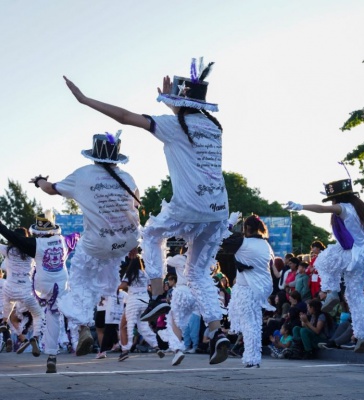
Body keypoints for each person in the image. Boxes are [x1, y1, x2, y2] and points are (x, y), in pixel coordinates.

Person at [63, 58, 232, 365]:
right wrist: (173, 102)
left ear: (177, 103)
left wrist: (85, 100)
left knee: (152, 234)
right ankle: (217, 331)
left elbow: (127, 116)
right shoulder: (211, 125)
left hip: (189, 206)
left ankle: (156, 297)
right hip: (218, 210)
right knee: (197, 273)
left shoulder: (172, 125)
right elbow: (186, 119)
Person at [30, 132, 141, 357]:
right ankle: (103, 312)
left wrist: (39, 181)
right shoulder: (128, 177)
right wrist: (132, 245)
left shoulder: (83, 175)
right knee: (104, 282)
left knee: (79, 284)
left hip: (97, 243)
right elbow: (135, 207)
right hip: (125, 240)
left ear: (94, 154)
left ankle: (83, 329)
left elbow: (51, 189)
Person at [286, 177, 364, 353]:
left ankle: (332, 292)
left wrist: (301, 206)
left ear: (339, 198)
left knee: (322, 261)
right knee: (355, 296)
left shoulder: (344, 208)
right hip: (362, 256)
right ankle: (363, 336)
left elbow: (321, 209)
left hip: (349, 253)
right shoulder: (359, 209)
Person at [0, 211, 79, 373]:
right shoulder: (64, 241)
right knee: (48, 316)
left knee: (33, 312)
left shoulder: (34, 245)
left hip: (35, 287)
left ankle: (8, 328)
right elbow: (76, 236)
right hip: (58, 285)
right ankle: (46, 346)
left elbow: (11, 237)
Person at [224, 214, 275, 368]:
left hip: (248, 290)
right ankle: (251, 356)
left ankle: (253, 358)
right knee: (250, 323)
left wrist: (231, 223)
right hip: (257, 288)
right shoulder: (265, 244)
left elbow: (220, 239)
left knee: (250, 325)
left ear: (247, 228)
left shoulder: (243, 242)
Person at [0, 227, 44, 356]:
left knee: (8, 302)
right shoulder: (32, 254)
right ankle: (35, 337)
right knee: (38, 314)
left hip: (9, 289)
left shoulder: (6, 250)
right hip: (26, 291)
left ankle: (3, 322)